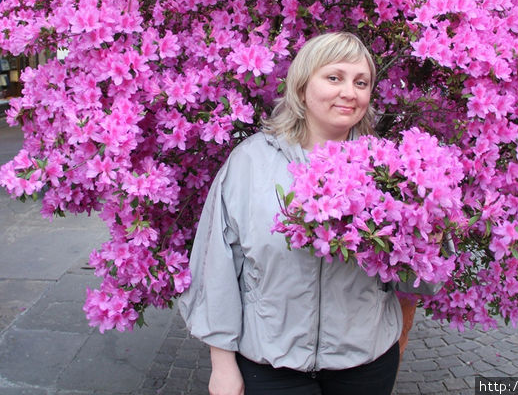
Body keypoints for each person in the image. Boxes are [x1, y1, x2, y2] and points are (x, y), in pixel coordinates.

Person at [178, 32, 433, 395]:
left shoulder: (387, 168)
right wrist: (222, 365)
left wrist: (431, 238)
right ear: (301, 87)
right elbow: (216, 266)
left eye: (361, 82)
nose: (350, 92)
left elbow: (416, 282)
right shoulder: (250, 162)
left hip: (364, 364)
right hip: (271, 366)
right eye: (334, 77)